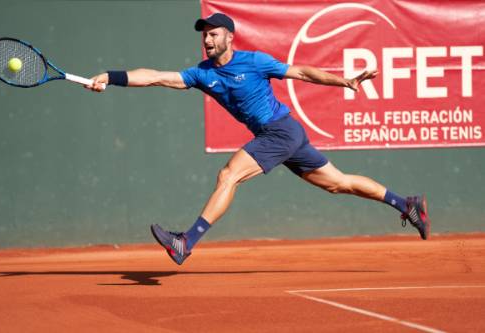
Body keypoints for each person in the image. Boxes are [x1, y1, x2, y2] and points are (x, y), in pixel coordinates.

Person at [87, 13, 430, 265]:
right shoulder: (202, 73)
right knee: (338, 183)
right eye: (204, 35)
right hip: (284, 134)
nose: (207, 40)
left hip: (280, 130)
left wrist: (345, 81)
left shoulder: (255, 62)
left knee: (228, 175)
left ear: (230, 37)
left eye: (213, 34)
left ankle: (186, 241)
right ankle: (406, 204)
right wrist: (110, 76)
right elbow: (156, 77)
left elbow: (301, 72)